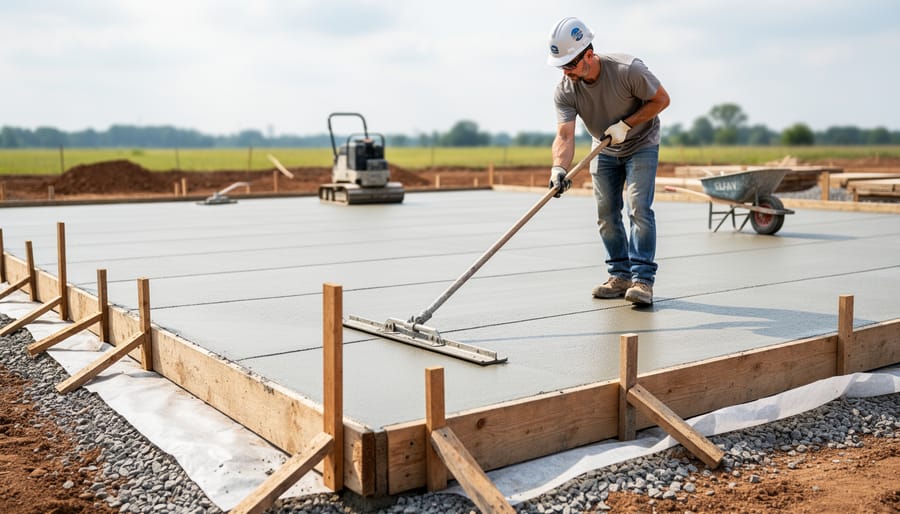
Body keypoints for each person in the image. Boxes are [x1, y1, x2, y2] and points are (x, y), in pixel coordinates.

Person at [546, 16, 670, 305]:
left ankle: (642, 281)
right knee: (606, 214)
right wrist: (559, 168)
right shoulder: (565, 90)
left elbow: (661, 100)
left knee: (638, 207)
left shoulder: (628, 71)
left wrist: (626, 125)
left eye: (570, 64)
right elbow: (565, 136)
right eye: (561, 66)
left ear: (588, 54)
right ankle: (620, 275)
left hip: (641, 143)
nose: (566, 72)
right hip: (603, 149)